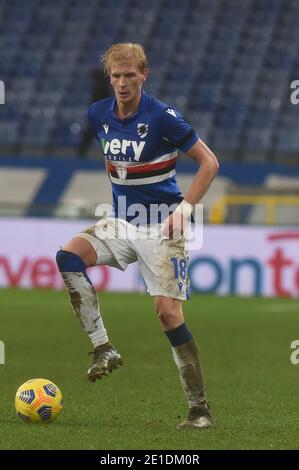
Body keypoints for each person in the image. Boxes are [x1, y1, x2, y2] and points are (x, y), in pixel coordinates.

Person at [56, 43, 219, 429]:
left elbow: (209, 163)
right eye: (116, 76)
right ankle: (103, 347)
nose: (123, 83)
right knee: (68, 256)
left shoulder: (163, 117)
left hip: (162, 226)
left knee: (167, 314)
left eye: (130, 75)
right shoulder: (98, 114)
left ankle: (199, 409)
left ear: (144, 74)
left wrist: (184, 211)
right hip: (121, 221)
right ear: (108, 77)